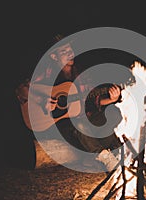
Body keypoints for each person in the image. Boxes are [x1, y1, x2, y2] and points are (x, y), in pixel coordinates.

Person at [15, 34, 123, 171]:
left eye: (70, 49)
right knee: (79, 124)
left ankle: (106, 153)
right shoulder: (47, 72)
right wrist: (42, 100)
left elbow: (93, 99)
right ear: (54, 57)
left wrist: (111, 98)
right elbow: (21, 90)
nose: (70, 53)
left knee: (113, 114)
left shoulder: (82, 73)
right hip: (62, 125)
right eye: (64, 51)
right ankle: (103, 156)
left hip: (86, 120)